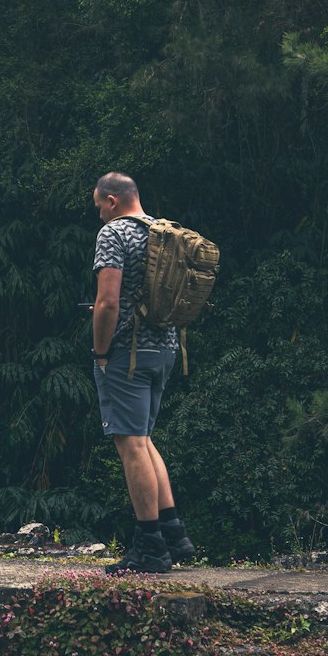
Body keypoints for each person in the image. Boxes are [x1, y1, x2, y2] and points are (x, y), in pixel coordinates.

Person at [91, 173, 196, 573]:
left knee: (130, 444)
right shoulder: (164, 231)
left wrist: (102, 352)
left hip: (128, 354)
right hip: (167, 349)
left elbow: (107, 303)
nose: (100, 213)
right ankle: (173, 535)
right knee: (144, 439)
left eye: (100, 205)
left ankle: (150, 547)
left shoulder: (114, 234)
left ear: (113, 200)